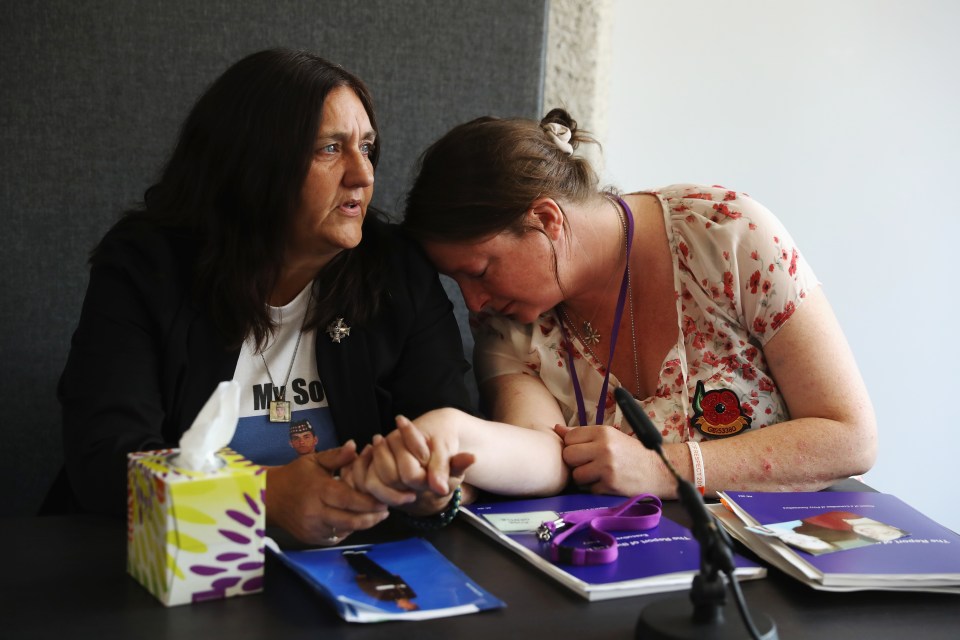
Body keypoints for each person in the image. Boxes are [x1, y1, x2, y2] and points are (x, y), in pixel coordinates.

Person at [58, 49, 481, 545]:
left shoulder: (396, 271)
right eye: (329, 149)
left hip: (347, 570)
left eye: (366, 147)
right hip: (174, 564)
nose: (362, 175)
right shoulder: (147, 265)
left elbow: (451, 441)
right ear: (253, 164)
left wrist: (432, 490)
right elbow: (105, 458)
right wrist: (262, 497)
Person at [349, 108, 878, 506]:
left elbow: (849, 437)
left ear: (547, 221)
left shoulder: (729, 235)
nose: (473, 301)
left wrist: (663, 469)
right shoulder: (508, 324)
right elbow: (542, 454)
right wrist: (449, 436)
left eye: (480, 270)